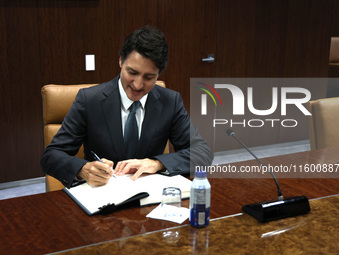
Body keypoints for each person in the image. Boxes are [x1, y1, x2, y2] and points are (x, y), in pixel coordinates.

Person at [41, 26, 213, 189]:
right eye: (132, 72)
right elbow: (51, 156)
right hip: (101, 197)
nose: (138, 85)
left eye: (149, 77)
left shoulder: (170, 101)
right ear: (121, 61)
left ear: (159, 74)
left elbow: (202, 153)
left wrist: (157, 163)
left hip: (149, 198)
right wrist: (82, 169)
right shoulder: (89, 100)